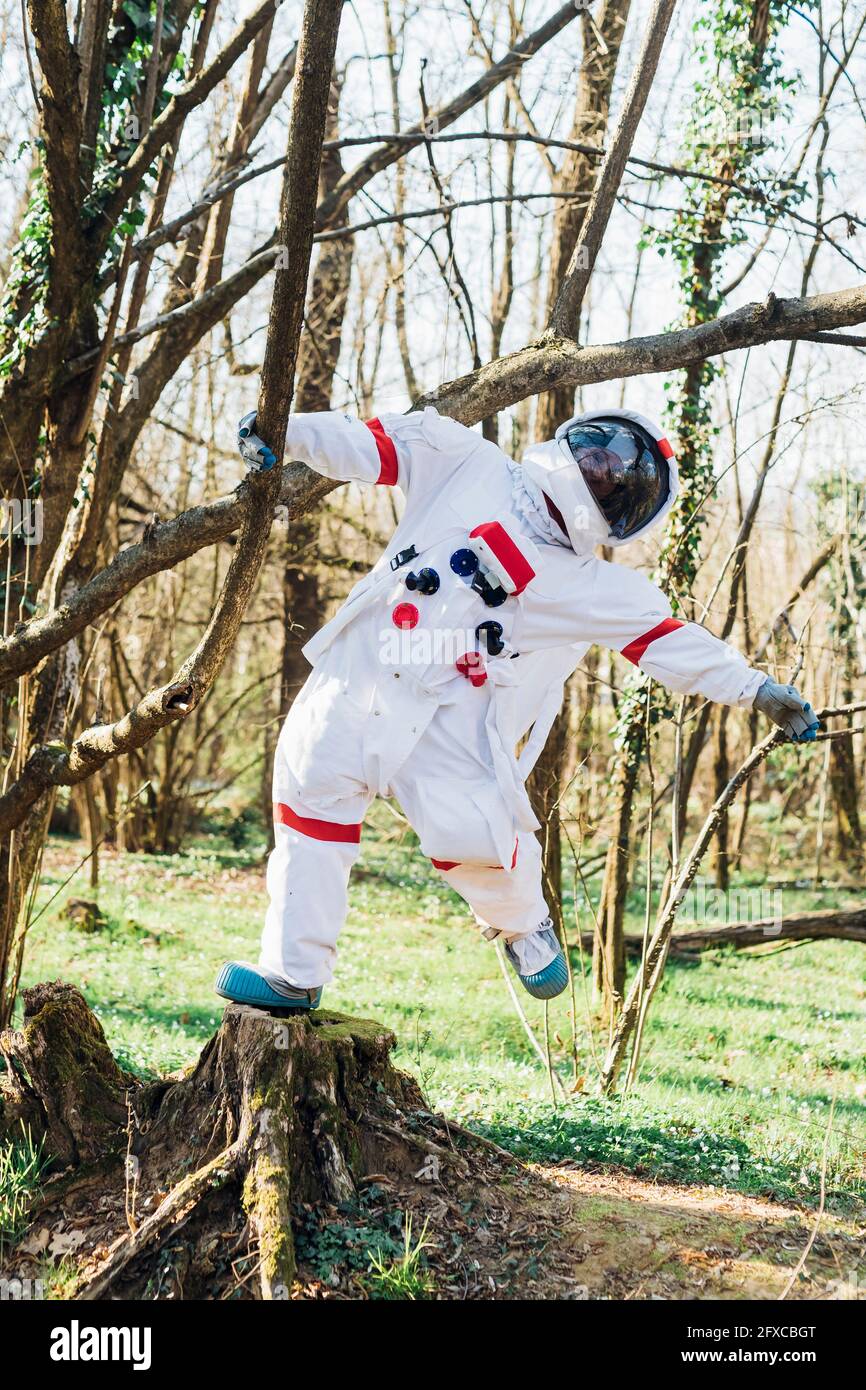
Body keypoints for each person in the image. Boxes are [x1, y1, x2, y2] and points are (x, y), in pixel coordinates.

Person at [216, 405, 818, 1011]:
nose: (600, 471)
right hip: (360, 678)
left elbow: (666, 638)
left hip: (446, 720)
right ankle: (292, 974)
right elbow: (368, 445)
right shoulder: (463, 460)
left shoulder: (587, 585)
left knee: (475, 836)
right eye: (600, 454)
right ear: (578, 440)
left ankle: (524, 924)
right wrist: (284, 431)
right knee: (308, 802)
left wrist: (754, 688)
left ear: (623, 513)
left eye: (616, 477)